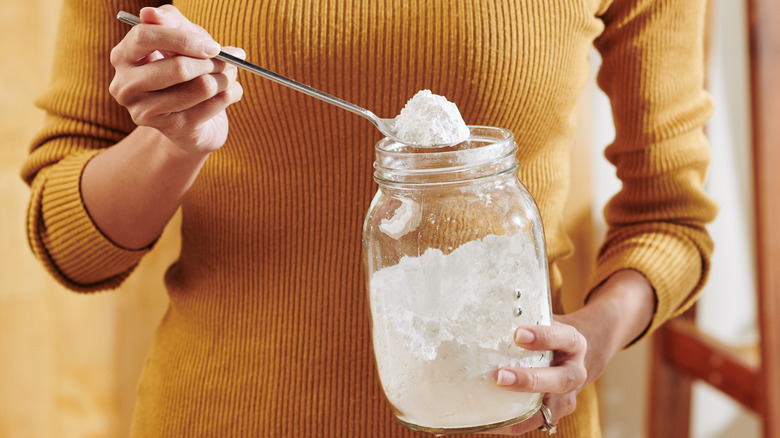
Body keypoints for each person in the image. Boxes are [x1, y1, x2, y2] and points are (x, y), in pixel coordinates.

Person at [22, 0, 717, 436]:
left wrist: (588, 341)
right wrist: (172, 143)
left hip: (503, 424)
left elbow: (670, 218)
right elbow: (74, 249)